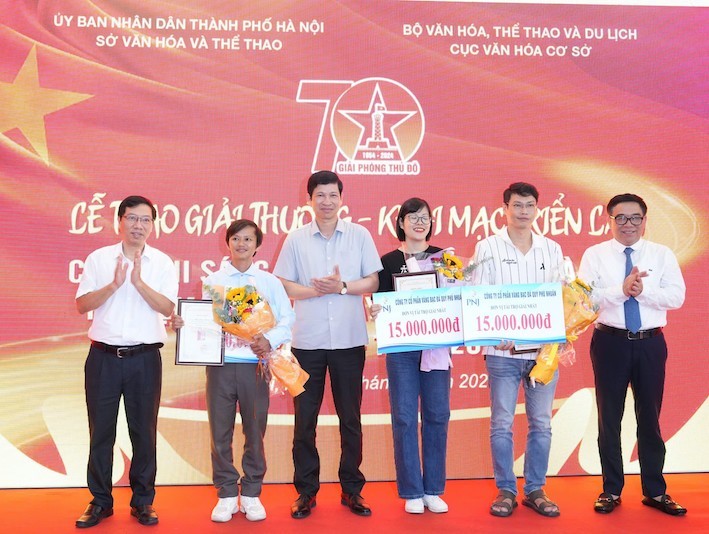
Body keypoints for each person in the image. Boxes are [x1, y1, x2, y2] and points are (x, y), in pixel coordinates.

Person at [273, 170, 382, 519]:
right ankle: (306, 491)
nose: (327, 202)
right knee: (304, 420)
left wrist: (343, 287)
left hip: (350, 342)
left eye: (332, 195)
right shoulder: (295, 239)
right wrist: (316, 290)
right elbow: (284, 286)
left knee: (350, 418)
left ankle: (352, 490)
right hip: (307, 343)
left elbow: (374, 280)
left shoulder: (360, 235)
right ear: (309, 200)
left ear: (341, 199)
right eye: (319, 195)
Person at [174, 219, 295, 522]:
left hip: (256, 367)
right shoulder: (213, 281)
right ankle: (227, 493)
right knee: (220, 432)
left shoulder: (269, 282)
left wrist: (268, 340)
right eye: (236, 239)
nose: (242, 245)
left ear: (257, 245)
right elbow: (200, 322)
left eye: (248, 240)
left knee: (255, 431)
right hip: (221, 366)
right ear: (227, 243)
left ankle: (252, 493)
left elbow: (287, 319)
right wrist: (182, 324)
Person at [579, 193, 687, 516]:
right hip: (609, 342)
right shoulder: (594, 255)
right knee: (609, 418)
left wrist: (644, 292)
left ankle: (655, 490)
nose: (628, 224)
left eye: (635, 217)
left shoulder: (661, 254)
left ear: (645, 219)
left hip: (651, 343)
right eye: (621, 218)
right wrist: (620, 290)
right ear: (608, 219)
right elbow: (584, 299)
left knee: (650, 418)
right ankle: (611, 490)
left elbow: (677, 296)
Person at [74, 195, 179, 528]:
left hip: (145, 359)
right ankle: (100, 501)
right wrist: (116, 284)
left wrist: (136, 282)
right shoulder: (98, 259)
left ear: (153, 225)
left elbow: (167, 308)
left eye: (145, 220)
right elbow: (82, 304)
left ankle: (143, 501)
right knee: (101, 433)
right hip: (103, 357)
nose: (138, 225)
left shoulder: (162, 262)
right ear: (119, 221)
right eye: (132, 218)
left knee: (144, 433)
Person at [471, 182, 563, 518]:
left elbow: (561, 296)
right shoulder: (487, 247)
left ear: (537, 209)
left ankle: (536, 488)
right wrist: (495, 334)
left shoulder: (551, 248)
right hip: (502, 353)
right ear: (504, 208)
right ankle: (506, 490)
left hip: (543, 353)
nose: (523, 212)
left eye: (529, 205)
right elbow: (479, 296)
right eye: (517, 205)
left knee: (541, 423)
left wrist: (559, 332)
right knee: (502, 424)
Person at [373, 197, 451, 514]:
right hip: (401, 349)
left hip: (435, 348)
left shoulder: (445, 258)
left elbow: (456, 297)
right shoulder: (389, 261)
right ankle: (411, 492)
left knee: (437, 416)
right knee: (404, 418)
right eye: (413, 217)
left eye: (426, 217)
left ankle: (433, 488)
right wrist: (377, 308)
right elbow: (381, 303)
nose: (420, 222)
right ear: (401, 223)